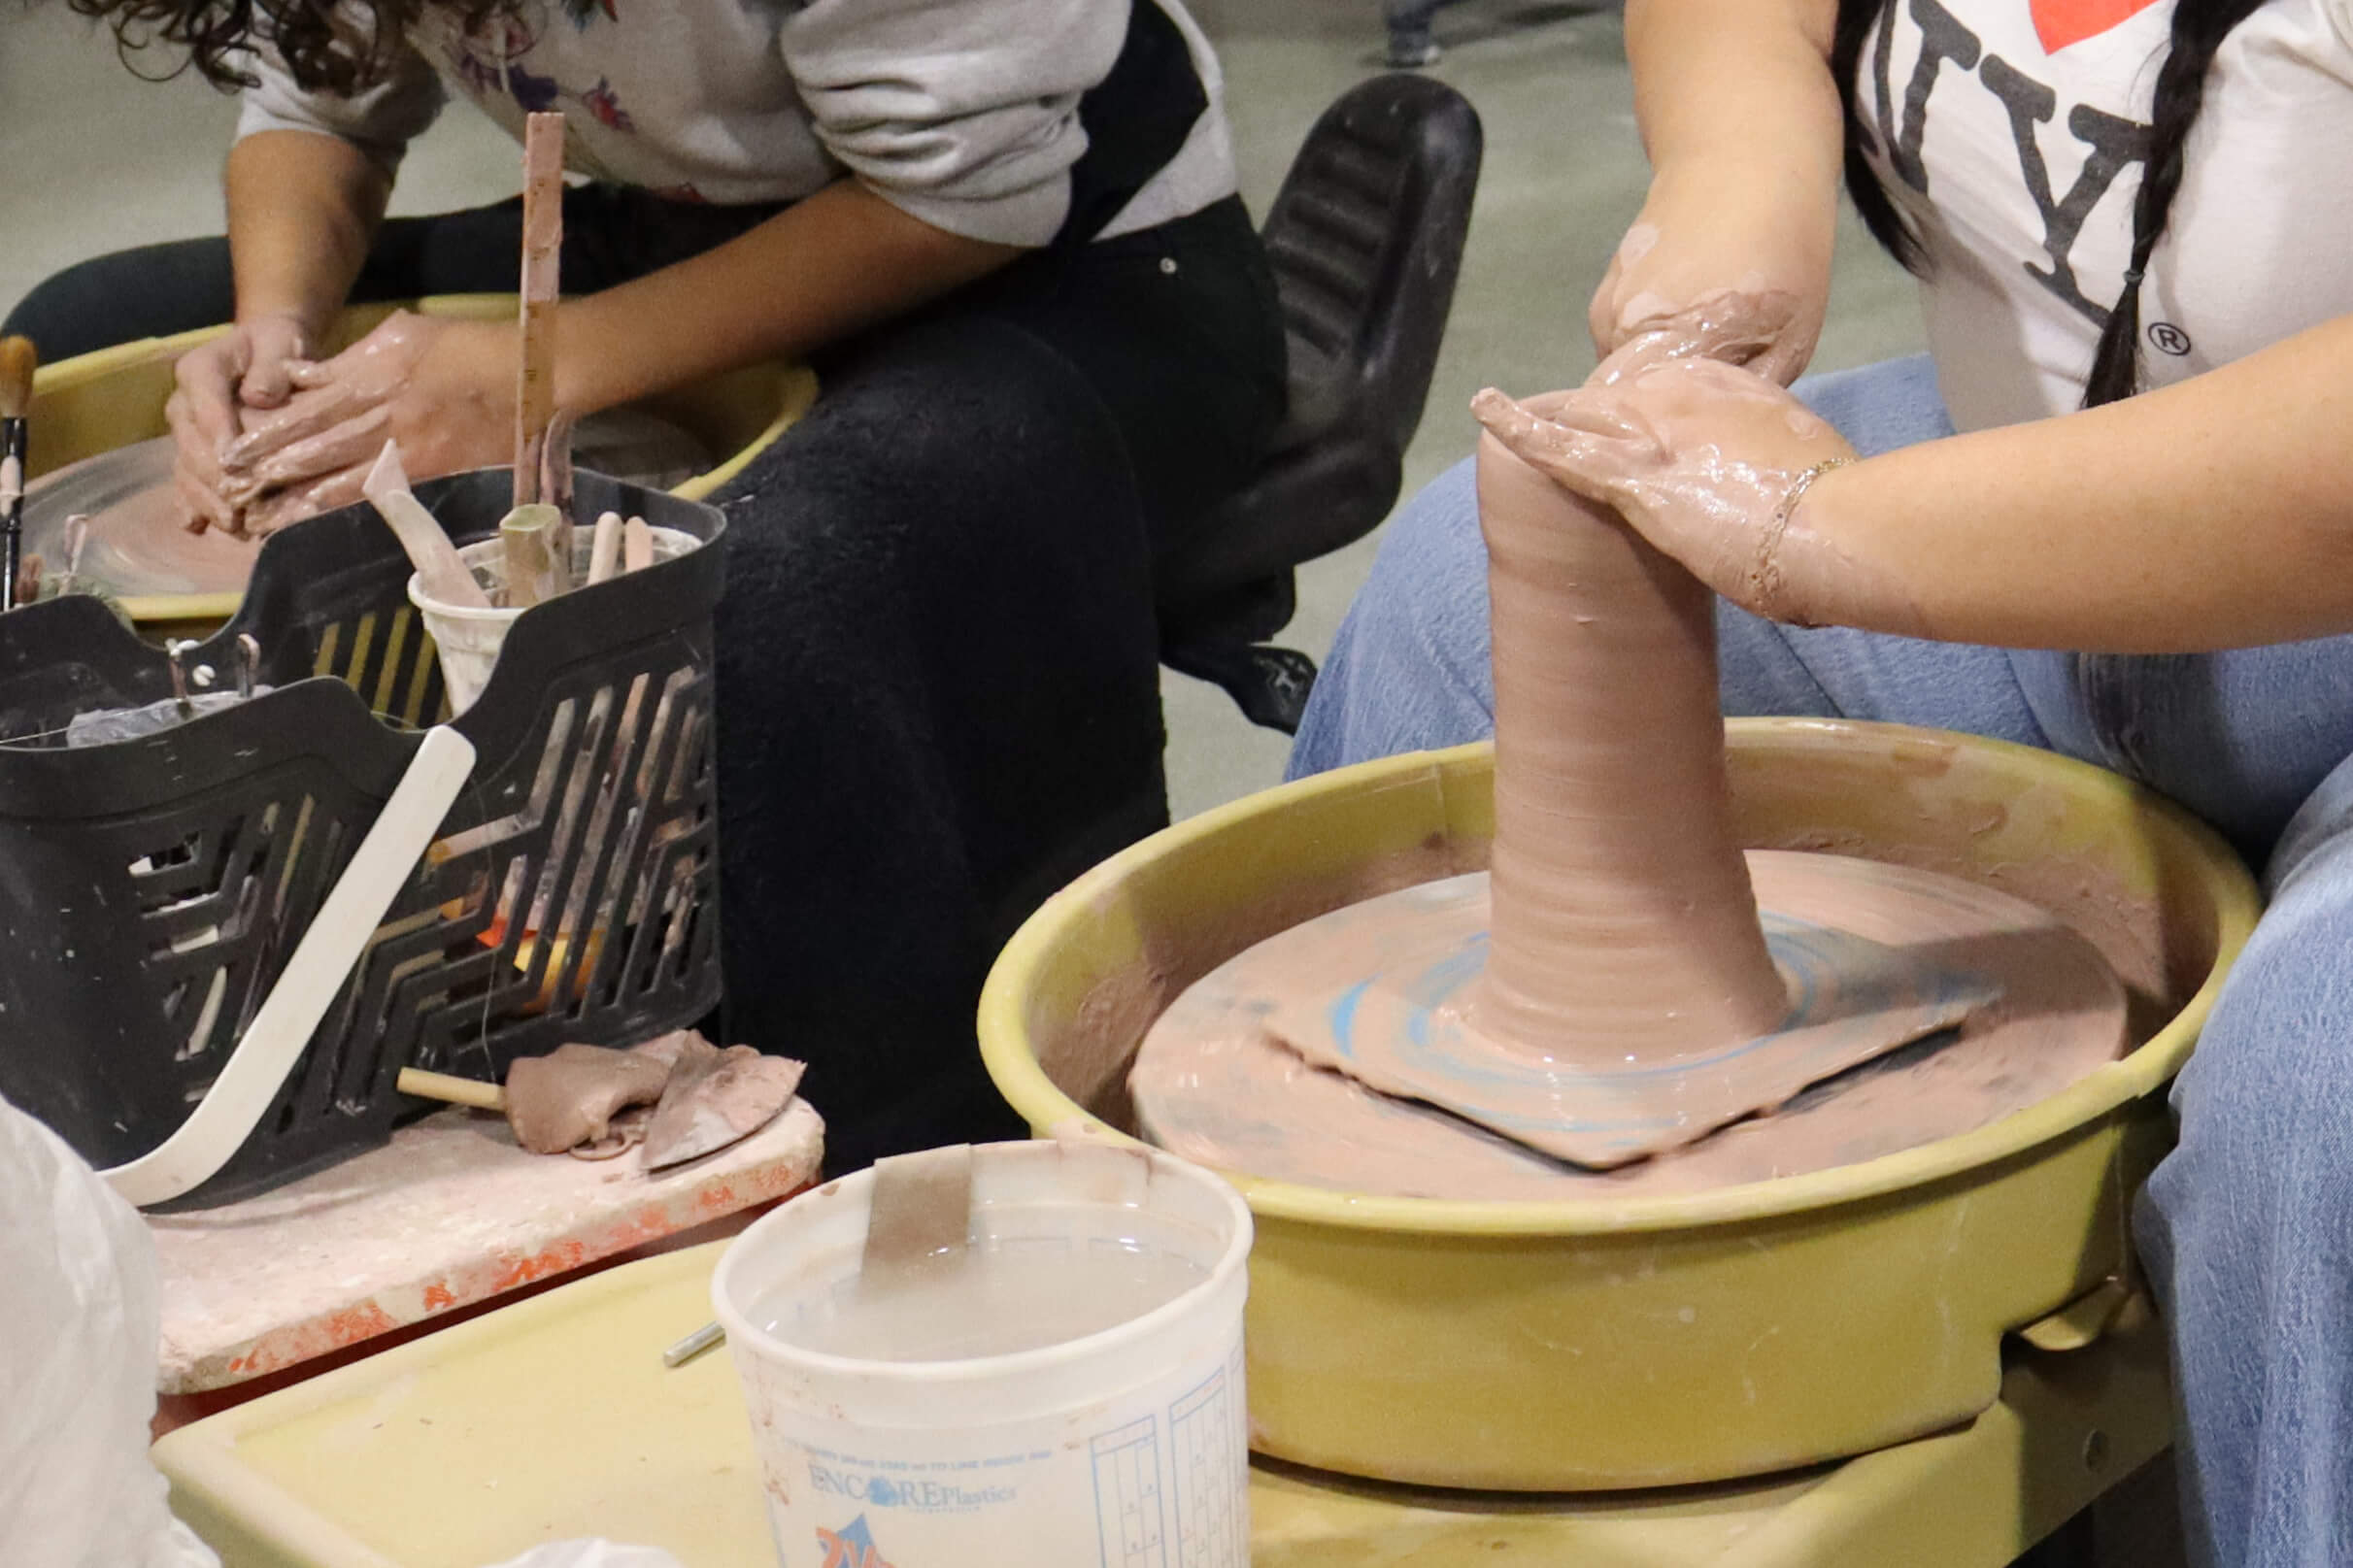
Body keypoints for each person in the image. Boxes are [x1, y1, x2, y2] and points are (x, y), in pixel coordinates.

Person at [1289, 0, 2353, 1563]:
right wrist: (1735, 212)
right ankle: (1458, 1437)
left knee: (2317, 1103)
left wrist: (1819, 533)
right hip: (2051, 473)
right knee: (1465, 603)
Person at [9, 0, 1286, 1174]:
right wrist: (274, 350)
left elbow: (976, 192)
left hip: (1066, 262)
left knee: (762, 584)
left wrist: (534, 368)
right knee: (89, 322)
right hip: (689, 215)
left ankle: (882, 1172)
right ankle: (250, 1024)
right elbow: (314, 99)